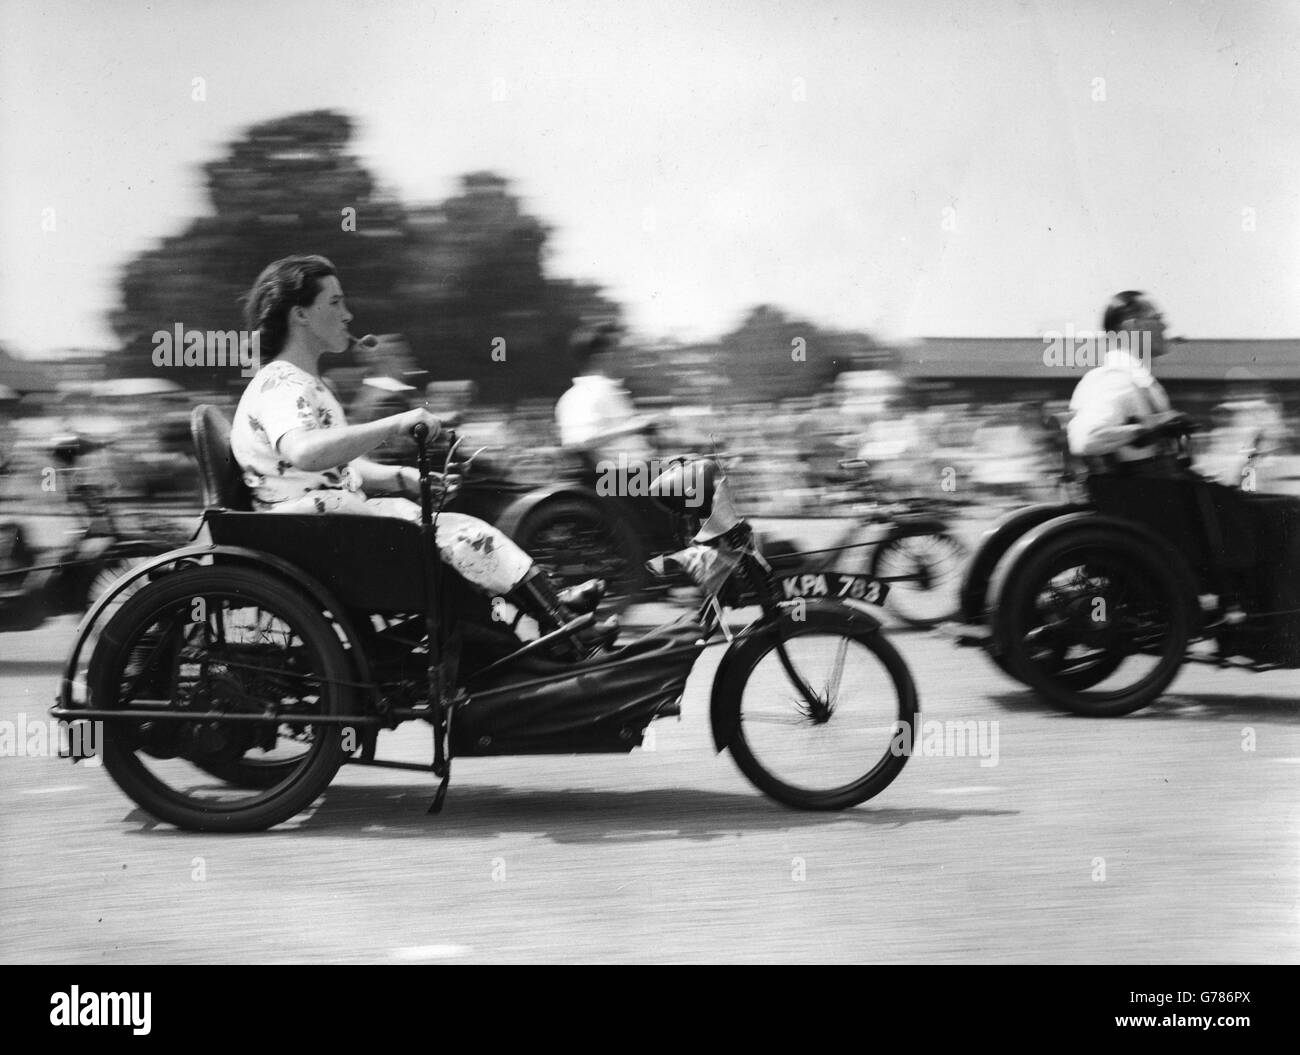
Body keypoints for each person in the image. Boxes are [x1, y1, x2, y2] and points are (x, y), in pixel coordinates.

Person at [229, 255, 615, 655]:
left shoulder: (304, 384)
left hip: (328, 523)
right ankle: (558, 623)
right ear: (300, 315)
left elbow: (328, 464)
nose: (348, 314)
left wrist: (401, 478)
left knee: (460, 531)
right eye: (335, 303)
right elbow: (305, 452)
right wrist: (396, 423)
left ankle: (552, 614)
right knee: (467, 535)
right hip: (320, 532)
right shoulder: (282, 384)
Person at [1065, 291, 1263, 609]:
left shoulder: (1134, 379)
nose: (1165, 324)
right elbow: (1086, 438)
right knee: (1272, 510)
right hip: (1153, 497)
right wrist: (1151, 428)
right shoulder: (1115, 380)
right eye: (1157, 318)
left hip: (1157, 491)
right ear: (1132, 327)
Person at [554, 323, 658, 467]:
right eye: (623, 351)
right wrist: (636, 427)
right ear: (602, 357)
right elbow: (580, 441)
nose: (631, 357)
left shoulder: (609, 390)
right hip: (617, 481)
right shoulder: (583, 394)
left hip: (637, 476)